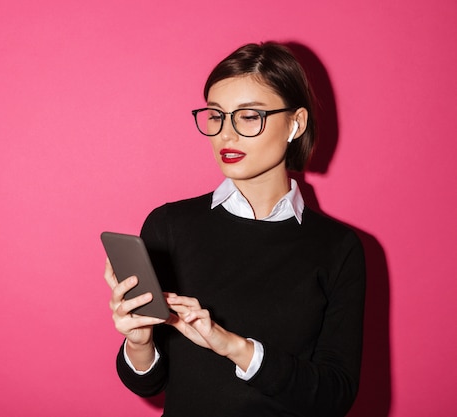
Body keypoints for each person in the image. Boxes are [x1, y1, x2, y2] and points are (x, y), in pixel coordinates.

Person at [104, 41, 366, 417]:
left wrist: (235, 348)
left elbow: (334, 396)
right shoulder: (170, 226)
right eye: (216, 115)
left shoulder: (338, 247)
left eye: (248, 116)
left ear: (296, 123)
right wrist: (139, 340)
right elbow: (148, 382)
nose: (225, 135)